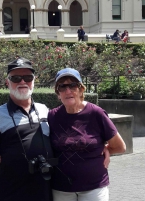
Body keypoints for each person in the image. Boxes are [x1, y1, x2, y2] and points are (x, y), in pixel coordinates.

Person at [0, 57, 54, 201]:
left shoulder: (44, 110)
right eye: (16, 78)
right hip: (13, 194)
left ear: (34, 80)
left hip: (47, 193)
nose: (22, 82)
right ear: (7, 81)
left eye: (27, 77)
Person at [48, 68, 126, 201]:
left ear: (81, 89)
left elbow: (120, 146)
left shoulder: (96, 113)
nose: (68, 91)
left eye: (73, 85)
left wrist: (106, 149)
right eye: (62, 87)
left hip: (93, 187)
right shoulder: (52, 116)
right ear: (58, 93)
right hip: (62, 188)